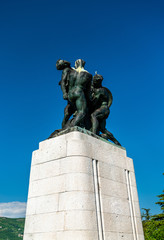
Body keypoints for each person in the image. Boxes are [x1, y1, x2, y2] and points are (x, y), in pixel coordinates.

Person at [91, 74, 121, 146]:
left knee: (93, 115)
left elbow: (94, 102)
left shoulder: (100, 90)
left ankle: (94, 134)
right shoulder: (103, 90)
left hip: (103, 108)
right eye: (94, 80)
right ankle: (116, 142)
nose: (94, 82)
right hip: (104, 110)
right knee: (102, 129)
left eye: (95, 81)